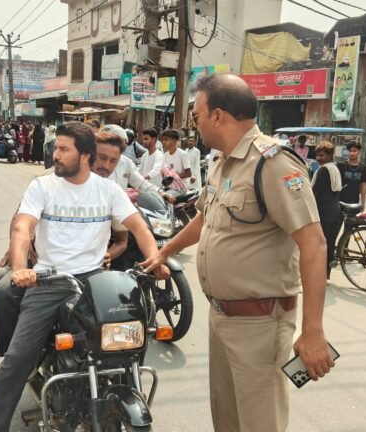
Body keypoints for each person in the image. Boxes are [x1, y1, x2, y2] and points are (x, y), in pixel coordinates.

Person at [141, 73, 334, 432]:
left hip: (260, 323)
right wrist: (164, 251)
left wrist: (313, 331)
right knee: (227, 421)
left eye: (197, 114)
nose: (194, 124)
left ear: (218, 115)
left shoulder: (273, 163)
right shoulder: (223, 163)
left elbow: (314, 243)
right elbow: (204, 217)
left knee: (260, 424)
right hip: (222, 317)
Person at [0, 121, 168, 432]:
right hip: (48, 281)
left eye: (64, 149)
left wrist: (155, 259)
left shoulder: (107, 190)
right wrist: (19, 269)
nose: (56, 154)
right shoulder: (43, 187)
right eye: (57, 147)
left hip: (94, 281)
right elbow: (22, 228)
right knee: (17, 361)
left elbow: (138, 227)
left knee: (130, 339)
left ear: (84, 155)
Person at [312, 142, 343, 278]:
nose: (319, 158)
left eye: (322, 155)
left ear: (330, 155)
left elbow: (315, 192)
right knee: (329, 244)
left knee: (320, 245)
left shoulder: (324, 170)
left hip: (323, 213)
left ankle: (318, 275)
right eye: (317, 155)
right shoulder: (334, 168)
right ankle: (325, 274)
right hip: (334, 211)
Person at [337, 141, 366, 209]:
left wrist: (363, 203)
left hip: (354, 202)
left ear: (359, 152)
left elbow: (364, 186)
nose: (352, 153)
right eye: (350, 151)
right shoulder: (341, 166)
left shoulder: (363, 168)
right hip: (340, 201)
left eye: (354, 151)